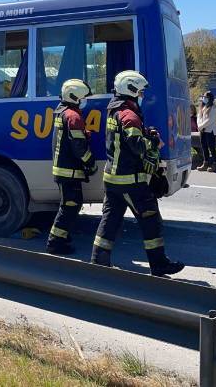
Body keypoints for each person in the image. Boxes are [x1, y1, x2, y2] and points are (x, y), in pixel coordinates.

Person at [90, 70, 184, 277]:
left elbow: (125, 139)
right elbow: (135, 144)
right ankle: (159, 265)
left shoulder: (115, 110)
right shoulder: (129, 114)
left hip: (112, 179)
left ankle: (98, 260)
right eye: (140, 93)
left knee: (110, 219)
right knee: (150, 219)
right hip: (130, 180)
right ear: (130, 90)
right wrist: (153, 141)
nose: (141, 97)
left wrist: (145, 133)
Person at [46, 79, 97, 255]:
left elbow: (71, 139)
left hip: (64, 169)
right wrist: (90, 163)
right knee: (70, 206)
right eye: (84, 98)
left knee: (69, 205)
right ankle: (55, 243)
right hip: (70, 171)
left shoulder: (62, 113)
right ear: (74, 97)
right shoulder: (73, 116)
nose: (85, 101)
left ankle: (62, 237)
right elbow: (79, 148)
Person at [197, 91, 216, 172]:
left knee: (211, 147)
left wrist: (201, 126)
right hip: (203, 130)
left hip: (210, 130)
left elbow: (210, 120)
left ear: (209, 98)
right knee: (204, 147)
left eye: (205, 97)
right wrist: (199, 126)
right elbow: (199, 117)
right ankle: (205, 163)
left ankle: (215, 163)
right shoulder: (202, 106)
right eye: (203, 97)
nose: (204, 99)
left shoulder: (213, 107)